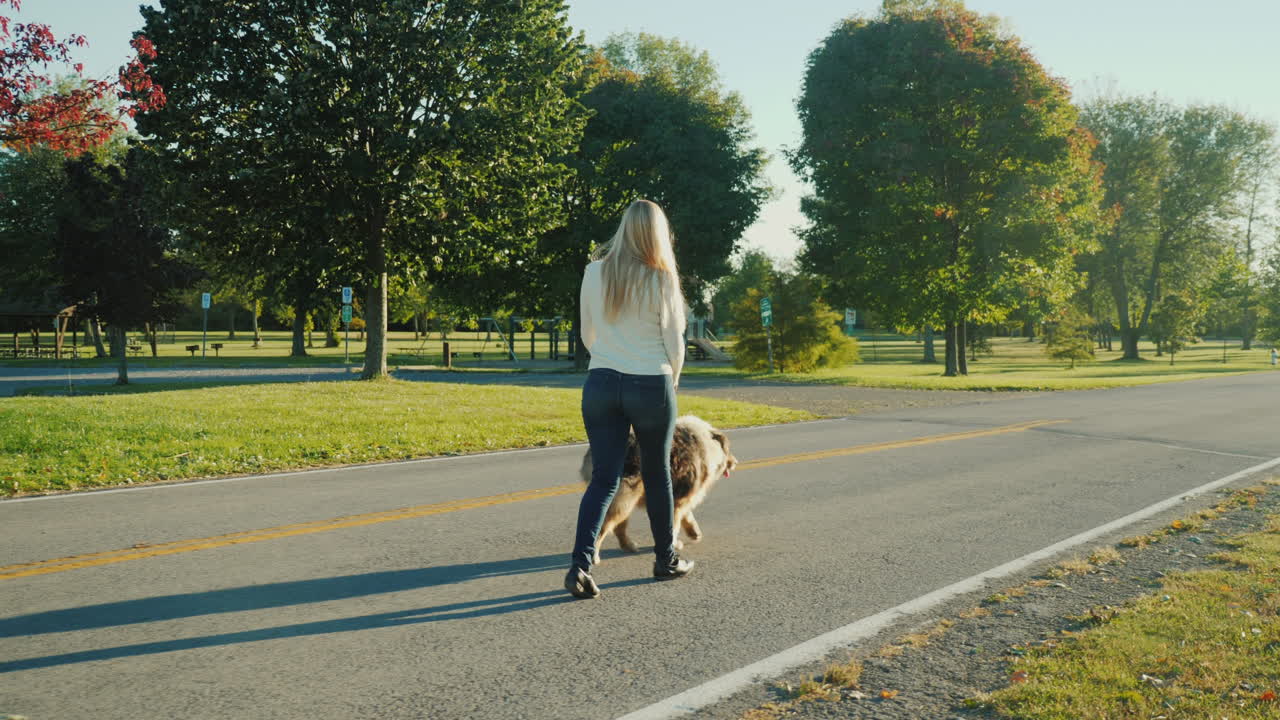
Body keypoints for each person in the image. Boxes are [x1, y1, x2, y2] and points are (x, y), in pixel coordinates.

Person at [565, 199, 694, 599]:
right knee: (657, 476)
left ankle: (580, 567)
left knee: (605, 477)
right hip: (650, 382)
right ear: (659, 233)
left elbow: (588, 333)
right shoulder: (662, 278)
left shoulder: (594, 271)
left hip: (601, 382)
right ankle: (665, 559)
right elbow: (675, 341)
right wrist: (671, 379)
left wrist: (607, 359)